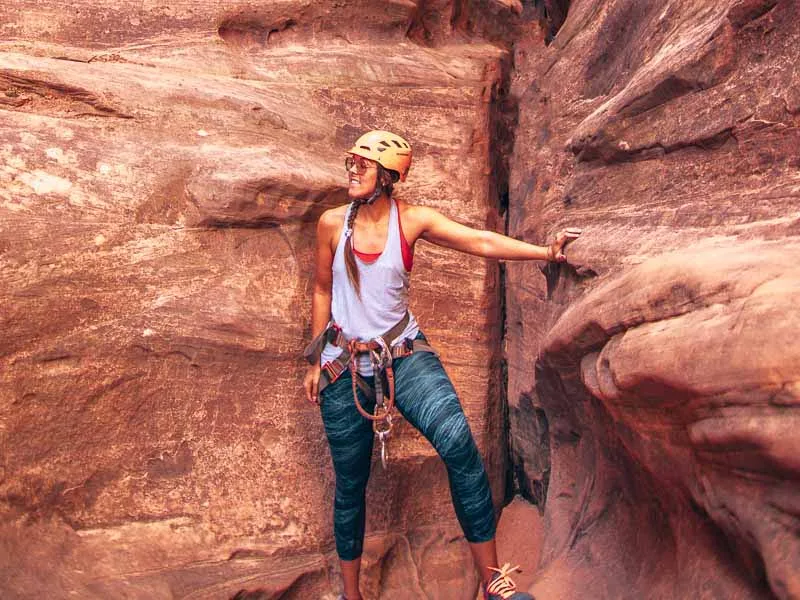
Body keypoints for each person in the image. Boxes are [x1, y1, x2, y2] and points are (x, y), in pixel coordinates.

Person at [303, 130, 580, 600]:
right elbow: (321, 290)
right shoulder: (332, 223)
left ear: (388, 177)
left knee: (461, 451)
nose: (351, 170)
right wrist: (314, 357)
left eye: (362, 165)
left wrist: (544, 253)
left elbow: (480, 242)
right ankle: (352, 597)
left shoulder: (411, 221)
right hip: (344, 366)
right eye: (351, 162)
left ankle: (493, 585)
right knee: (350, 484)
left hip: (404, 356)